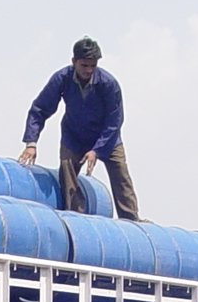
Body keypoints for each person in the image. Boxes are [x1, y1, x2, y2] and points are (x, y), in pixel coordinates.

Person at [18, 37, 141, 221]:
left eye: (93, 66)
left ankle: (132, 221)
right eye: (84, 65)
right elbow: (40, 109)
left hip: (107, 139)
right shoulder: (62, 79)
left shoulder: (109, 84)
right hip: (74, 136)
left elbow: (114, 121)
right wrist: (31, 142)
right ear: (74, 62)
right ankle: (76, 219)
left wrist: (97, 150)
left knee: (121, 177)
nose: (88, 70)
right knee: (67, 175)